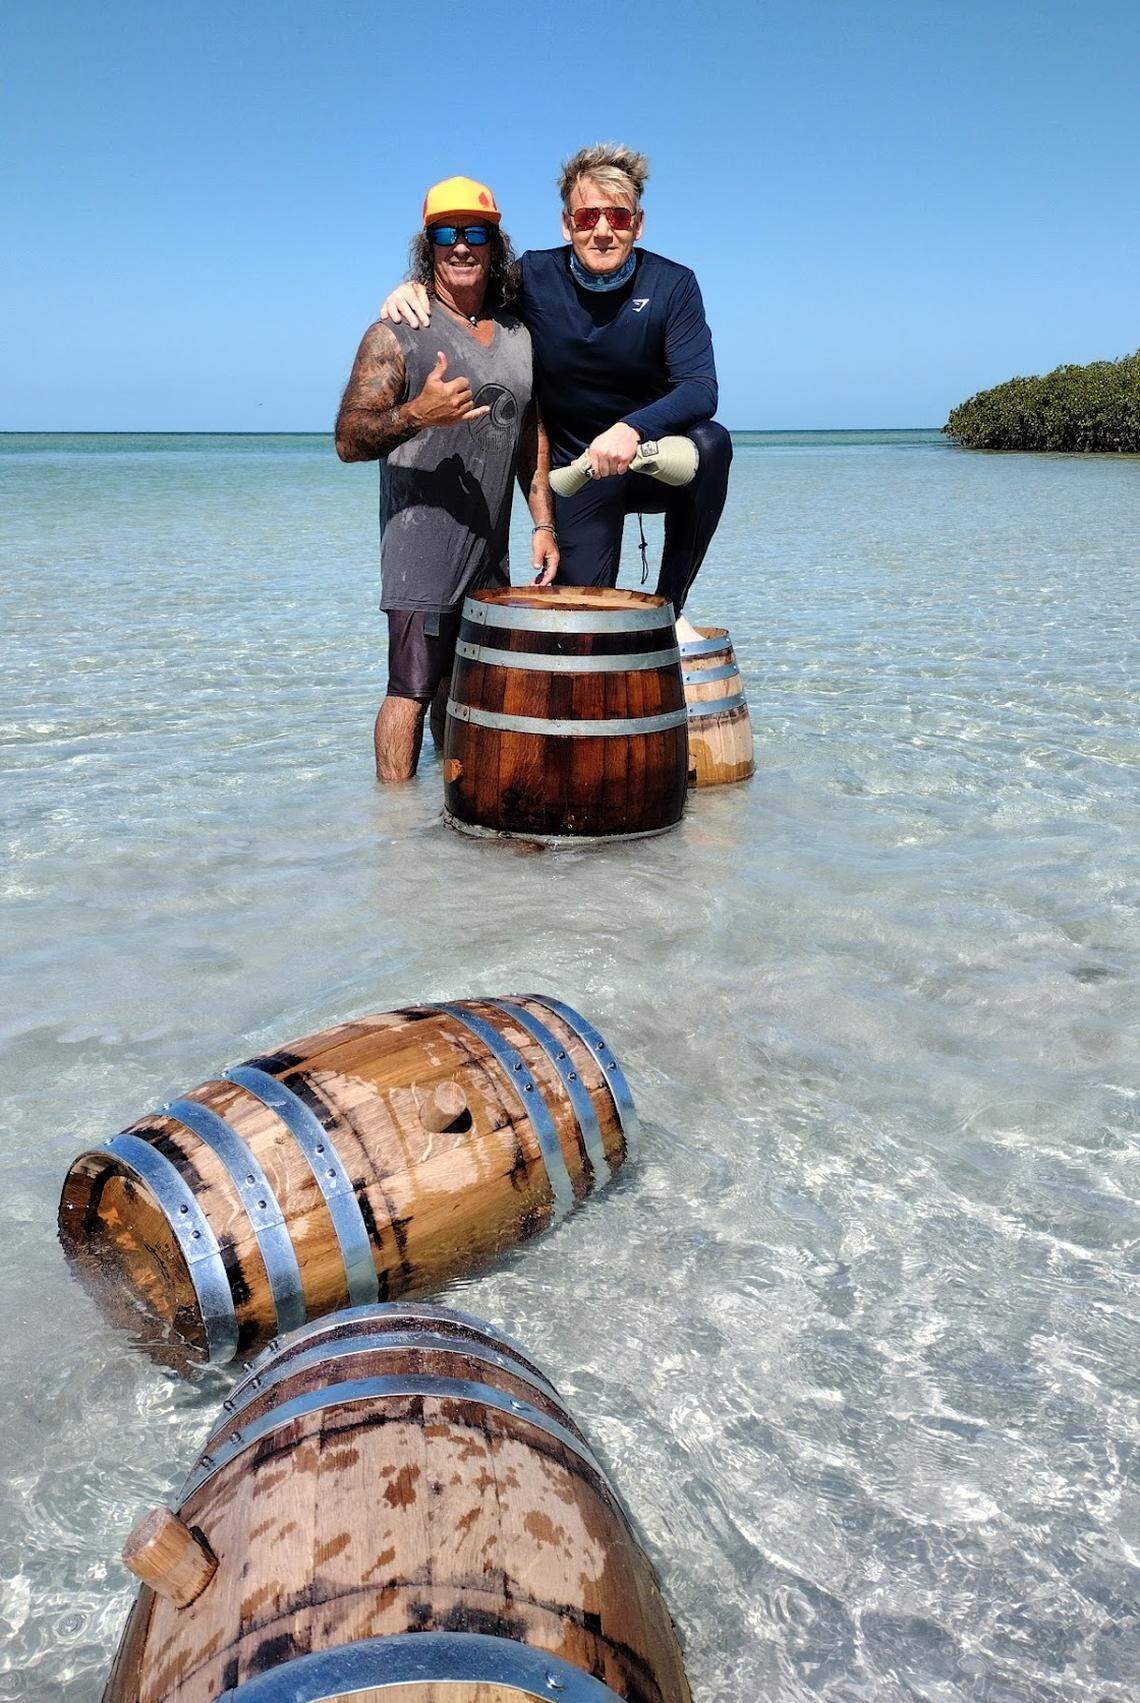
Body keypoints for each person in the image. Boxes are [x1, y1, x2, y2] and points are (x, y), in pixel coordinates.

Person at [379, 144, 731, 640]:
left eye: (618, 216)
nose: (603, 230)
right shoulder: (534, 276)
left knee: (713, 443)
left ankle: (670, 610)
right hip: (579, 472)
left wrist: (631, 428)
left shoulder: (674, 285)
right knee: (581, 633)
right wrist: (412, 287)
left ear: (639, 223)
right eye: (588, 216)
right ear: (567, 224)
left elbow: (700, 387)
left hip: (652, 458)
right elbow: (466, 285)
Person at [336, 176, 557, 782]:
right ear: (428, 244)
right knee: (410, 689)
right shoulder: (396, 332)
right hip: (420, 551)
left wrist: (543, 523)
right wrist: (417, 413)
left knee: (465, 692)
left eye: (476, 233)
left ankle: (445, 834)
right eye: (447, 234)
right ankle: (396, 836)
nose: (462, 247)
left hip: (491, 551)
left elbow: (530, 432)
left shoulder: (518, 336)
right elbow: (348, 439)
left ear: (495, 244)